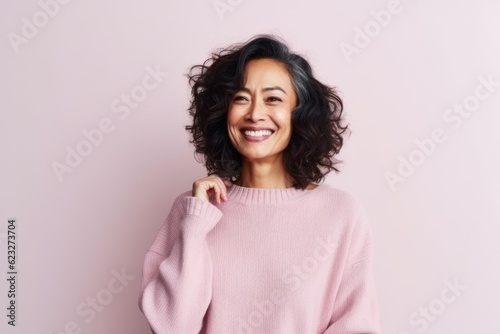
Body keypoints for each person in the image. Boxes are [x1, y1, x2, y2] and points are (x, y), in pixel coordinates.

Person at [138, 35, 381, 333]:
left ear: (299, 113)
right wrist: (196, 221)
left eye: (273, 99)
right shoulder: (192, 211)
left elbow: (355, 326)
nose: (254, 113)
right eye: (241, 98)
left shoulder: (340, 213)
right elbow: (172, 326)